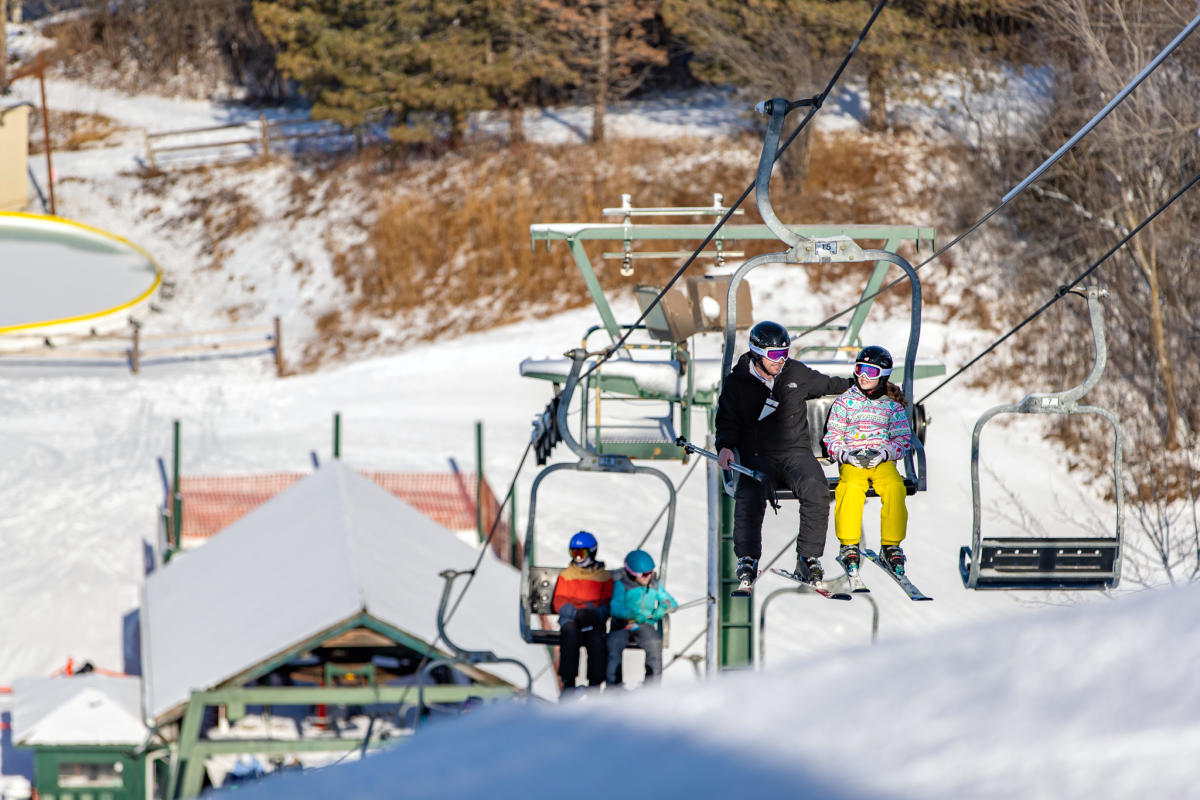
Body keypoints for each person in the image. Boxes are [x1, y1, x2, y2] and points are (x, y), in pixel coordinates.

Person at [716, 320, 854, 592]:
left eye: (785, 353)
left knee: (816, 488)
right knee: (749, 492)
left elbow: (829, 384)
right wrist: (726, 446)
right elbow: (727, 421)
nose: (780, 360)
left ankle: (808, 558)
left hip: (796, 452)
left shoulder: (796, 373)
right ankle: (747, 558)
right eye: (775, 355)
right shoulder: (738, 382)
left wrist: (864, 385)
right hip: (758, 454)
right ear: (757, 353)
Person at [821, 345, 913, 575]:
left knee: (894, 488)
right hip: (853, 460)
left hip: (881, 461)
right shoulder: (845, 402)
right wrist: (845, 455)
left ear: (883, 375)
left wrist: (884, 454)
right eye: (859, 369)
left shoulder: (892, 406)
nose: (863, 375)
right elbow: (832, 436)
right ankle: (849, 544)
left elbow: (903, 439)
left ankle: (891, 545)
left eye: (870, 371)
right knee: (850, 488)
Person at [551, 530, 613, 696]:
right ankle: (568, 682)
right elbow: (559, 601)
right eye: (574, 553)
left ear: (592, 552)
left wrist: (596, 614)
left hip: (593, 619)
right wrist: (575, 613)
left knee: (597, 640)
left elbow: (608, 603)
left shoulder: (603, 577)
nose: (577, 557)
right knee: (570, 634)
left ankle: (595, 684)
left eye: (581, 553)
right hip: (572, 619)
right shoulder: (567, 575)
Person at [606, 549, 677, 688]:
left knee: (654, 643)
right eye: (644, 574)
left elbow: (671, 602)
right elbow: (615, 607)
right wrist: (631, 614)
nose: (648, 577)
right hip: (623, 624)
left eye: (650, 573)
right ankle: (614, 686)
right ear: (632, 574)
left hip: (645, 624)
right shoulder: (622, 584)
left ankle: (652, 686)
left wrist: (663, 606)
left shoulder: (654, 585)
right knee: (614, 645)